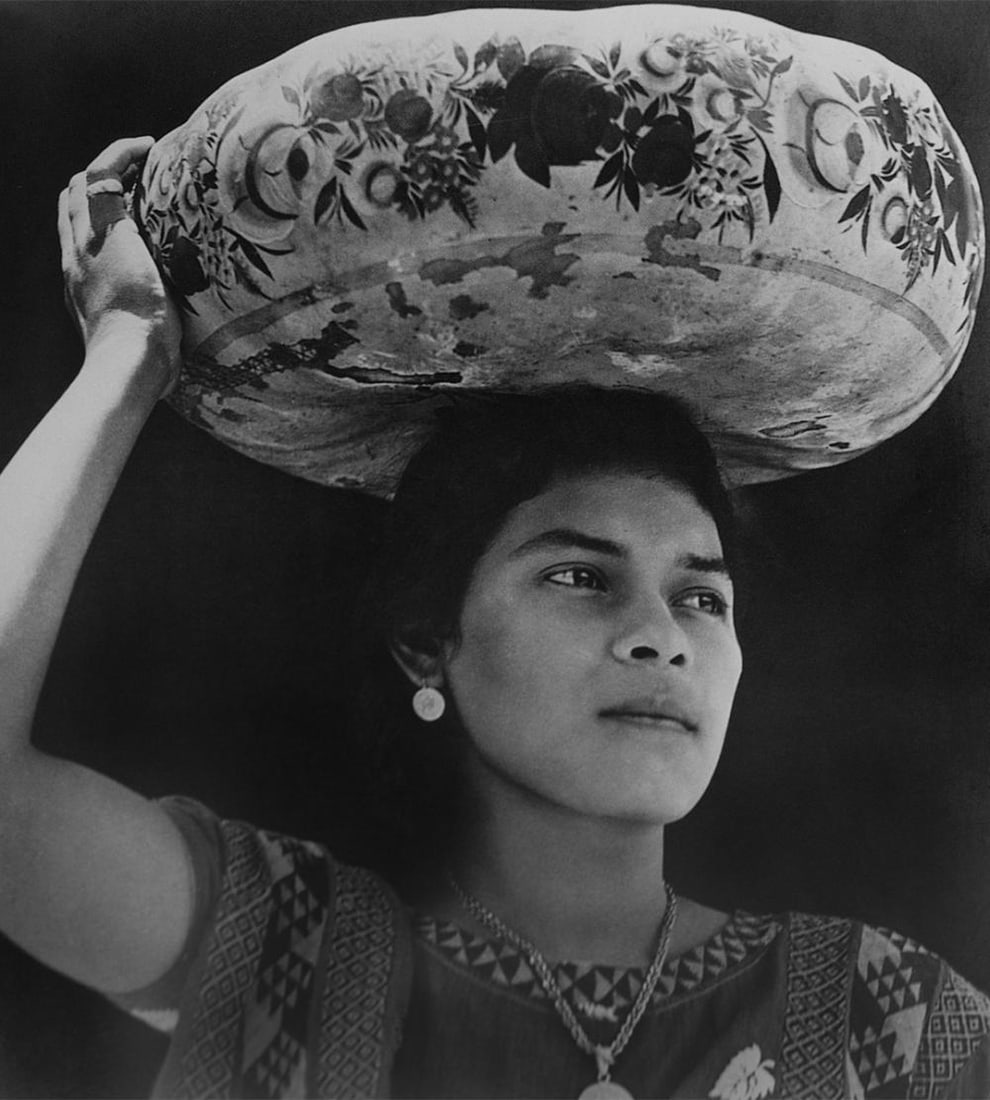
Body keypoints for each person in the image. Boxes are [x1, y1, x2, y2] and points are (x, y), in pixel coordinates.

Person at [1, 135, 989, 1100]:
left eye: (701, 595)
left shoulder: (885, 1027)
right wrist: (127, 352)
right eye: (580, 577)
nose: (662, 633)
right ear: (428, 642)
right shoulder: (280, 951)